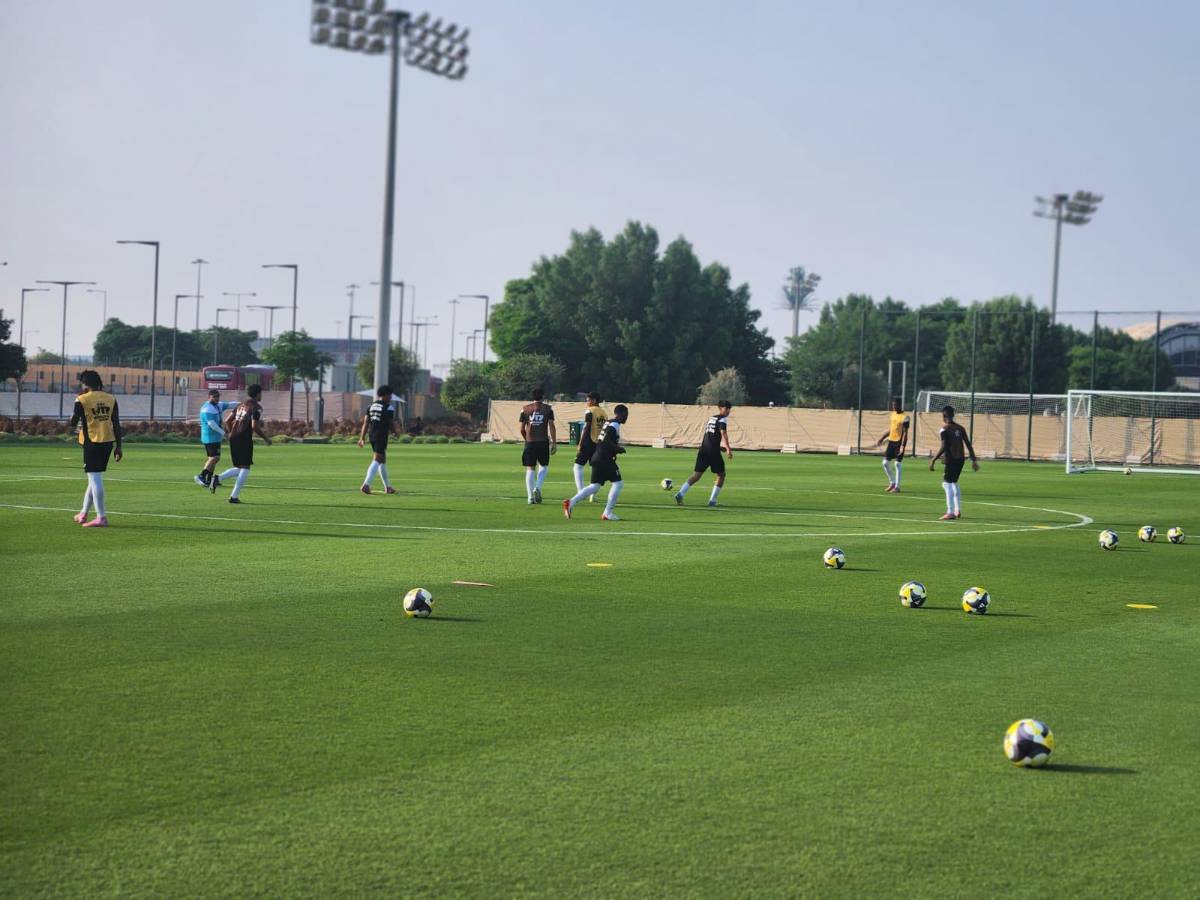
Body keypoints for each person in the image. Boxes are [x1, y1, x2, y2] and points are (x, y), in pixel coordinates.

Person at [69, 370, 123, 527]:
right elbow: (116, 423)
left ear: (85, 384)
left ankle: (101, 517)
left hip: (92, 442)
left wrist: (74, 414)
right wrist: (119, 446)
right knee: (93, 478)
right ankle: (83, 513)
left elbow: (73, 422)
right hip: (108, 442)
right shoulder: (111, 398)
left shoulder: (82, 399)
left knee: (94, 479)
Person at [563, 404, 628, 521]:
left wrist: (615, 449)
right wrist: (617, 448)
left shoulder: (609, 422)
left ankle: (571, 502)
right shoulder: (615, 424)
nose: (626, 417)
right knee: (618, 484)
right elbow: (606, 439)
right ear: (621, 414)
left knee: (595, 486)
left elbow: (603, 439)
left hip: (598, 457)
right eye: (626, 414)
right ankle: (607, 513)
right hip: (604, 459)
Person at [213, 383, 272, 503]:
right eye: (261, 393)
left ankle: (218, 478)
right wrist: (266, 438)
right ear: (257, 394)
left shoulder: (241, 405)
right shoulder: (256, 407)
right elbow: (254, 426)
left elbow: (227, 420)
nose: (261, 396)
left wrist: (231, 433)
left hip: (234, 438)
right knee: (245, 467)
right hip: (244, 439)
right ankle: (233, 497)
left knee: (240, 467)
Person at [673, 401, 734, 507]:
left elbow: (711, 437)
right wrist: (728, 448)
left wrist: (720, 448)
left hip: (703, 450)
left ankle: (680, 494)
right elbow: (723, 433)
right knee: (721, 475)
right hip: (713, 452)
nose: (728, 411)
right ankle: (712, 501)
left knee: (696, 476)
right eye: (726, 408)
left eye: (729, 409)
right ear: (720, 408)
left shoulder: (712, 418)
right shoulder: (722, 419)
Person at [929, 405, 979, 520]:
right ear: (953, 415)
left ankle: (950, 511)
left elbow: (944, 446)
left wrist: (933, 459)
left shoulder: (944, 429)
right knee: (954, 483)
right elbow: (968, 445)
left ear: (943, 416)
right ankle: (957, 509)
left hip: (951, 459)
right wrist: (974, 460)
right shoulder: (961, 428)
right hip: (960, 459)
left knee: (946, 484)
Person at [357, 385, 400, 495]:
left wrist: (362, 438)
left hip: (372, 435)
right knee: (377, 459)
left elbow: (366, 423)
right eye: (390, 395)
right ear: (385, 395)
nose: (391, 397)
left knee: (382, 460)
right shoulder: (388, 407)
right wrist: (395, 432)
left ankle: (388, 487)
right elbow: (390, 423)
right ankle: (366, 484)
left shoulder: (371, 406)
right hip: (381, 435)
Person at [195, 388, 240, 489]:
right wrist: (224, 434)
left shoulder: (218, 405)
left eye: (218, 396)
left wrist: (243, 404)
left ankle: (209, 478)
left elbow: (230, 405)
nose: (216, 398)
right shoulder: (207, 409)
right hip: (209, 437)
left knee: (214, 458)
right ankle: (201, 476)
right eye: (214, 397)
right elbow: (212, 425)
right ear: (209, 397)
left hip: (216, 437)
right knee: (214, 458)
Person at [518, 388, 557, 504]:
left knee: (530, 468)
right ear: (543, 397)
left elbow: (521, 429)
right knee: (543, 466)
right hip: (543, 442)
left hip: (530, 442)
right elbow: (551, 426)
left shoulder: (524, 409)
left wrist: (527, 439)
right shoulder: (548, 409)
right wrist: (554, 442)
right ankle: (538, 487)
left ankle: (530, 497)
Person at [572, 392, 609, 501]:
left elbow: (587, 427)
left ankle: (581, 492)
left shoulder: (590, 411)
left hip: (588, 441)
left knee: (577, 466)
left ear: (594, 400)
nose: (587, 402)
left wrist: (580, 443)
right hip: (599, 443)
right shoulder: (604, 413)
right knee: (596, 469)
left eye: (588, 400)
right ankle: (593, 495)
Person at [874, 398, 911, 493]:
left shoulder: (905, 417)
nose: (893, 406)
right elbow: (892, 429)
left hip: (899, 442)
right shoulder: (893, 414)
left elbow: (905, 433)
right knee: (885, 463)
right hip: (891, 441)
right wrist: (882, 438)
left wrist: (903, 446)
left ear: (900, 405)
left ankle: (897, 487)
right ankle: (892, 483)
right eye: (893, 405)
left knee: (897, 464)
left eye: (895, 405)